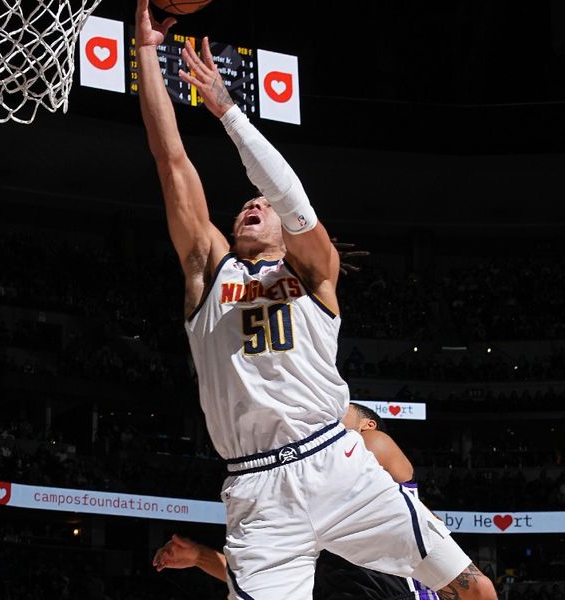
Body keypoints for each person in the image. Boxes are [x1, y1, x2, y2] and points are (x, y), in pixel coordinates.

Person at [135, 2, 496, 598]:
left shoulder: (314, 273)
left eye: (260, 205)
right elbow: (170, 159)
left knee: (475, 591)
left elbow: (289, 193)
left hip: (336, 463)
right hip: (257, 491)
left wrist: (228, 112)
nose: (251, 206)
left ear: (287, 229)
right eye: (242, 206)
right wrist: (147, 52)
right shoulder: (208, 271)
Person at [153, 402, 439, 600]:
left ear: (367, 424)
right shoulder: (315, 501)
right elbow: (265, 574)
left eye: (342, 409)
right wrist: (200, 556)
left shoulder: (372, 442)